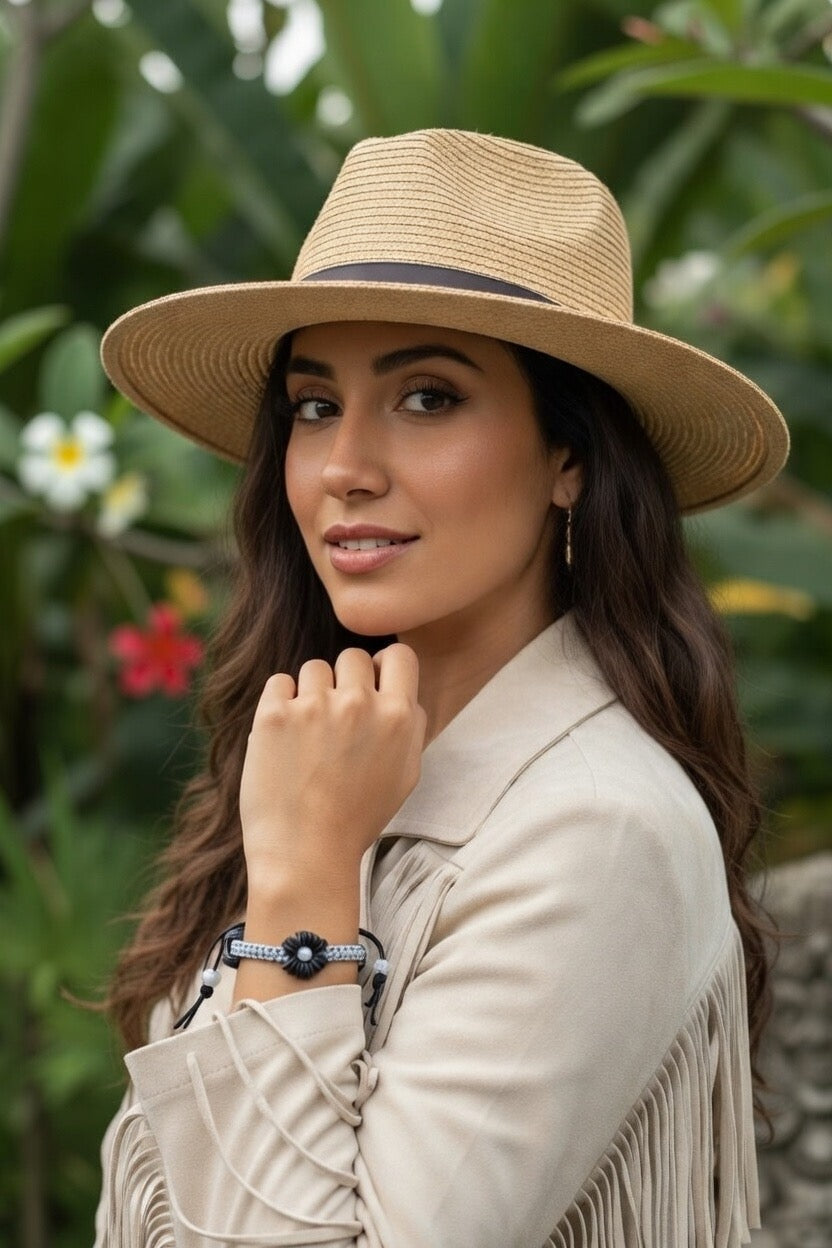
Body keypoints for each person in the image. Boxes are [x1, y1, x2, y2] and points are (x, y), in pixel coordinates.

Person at [93, 129, 789, 1247]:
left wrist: (306, 887)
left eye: (426, 398)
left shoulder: (592, 830)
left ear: (570, 457)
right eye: (316, 405)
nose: (345, 466)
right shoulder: (336, 758)